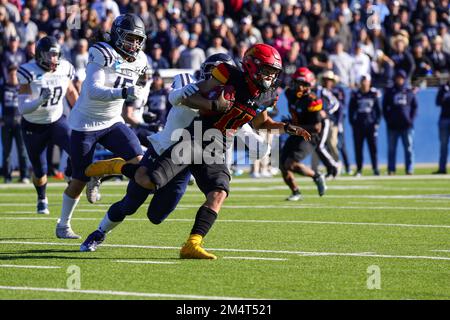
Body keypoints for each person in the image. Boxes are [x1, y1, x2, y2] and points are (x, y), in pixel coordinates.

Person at [81, 44, 311, 259]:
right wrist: (212, 105)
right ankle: (108, 197)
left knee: (216, 193)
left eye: (273, 72)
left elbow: (261, 122)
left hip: (217, 145)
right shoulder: (225, 76)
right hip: (195, 137)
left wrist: (286, 127)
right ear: (251, 65)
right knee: (144, 186)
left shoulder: (268, 94)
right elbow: (188, 97)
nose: (270, 76)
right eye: (267, 70)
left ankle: (192, 243)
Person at [56, 14, 148, 239]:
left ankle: (101, 172)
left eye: (138, 39)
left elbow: (143, 82)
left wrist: (138, 97)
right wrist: (124, 93)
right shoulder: (101, 52)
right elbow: (93, 90)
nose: (134, 44)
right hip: (85, 122)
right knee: (79, 178)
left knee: (139, 163)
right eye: (130, 38)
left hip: (113, 121)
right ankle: (63, 225)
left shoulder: (141, 59)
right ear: (117, 35)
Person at [17, 36, 78, 214]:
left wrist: (82, 112)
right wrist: (40, 100)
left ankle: (68, 172)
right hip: (33, 125)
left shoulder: (65, 68)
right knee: (40, 170)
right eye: (50, 55)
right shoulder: (27, 71)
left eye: (56, 54)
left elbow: (71, 92)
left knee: (76, 148)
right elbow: (23, 108)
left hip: (57, 119)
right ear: (40, 54)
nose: (54, 59)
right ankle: (42, 197)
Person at [280, 67, 330, 201]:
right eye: (298, 83)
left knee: (291, 164)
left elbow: (317, 127)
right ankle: (296, 192)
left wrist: (295, 126)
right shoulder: (290, 93)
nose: (300, 87)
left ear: (309, 85)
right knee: (282, 163)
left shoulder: (313, 100)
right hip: (296, 131)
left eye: (303, 84)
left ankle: (317, 176)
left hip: (309, 135)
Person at [383, 70, 418, 175]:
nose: (399, 80)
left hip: (406, 125)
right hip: (393, 125)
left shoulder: (409, 91)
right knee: (391, 149)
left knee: (409, 148)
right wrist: (389, 120)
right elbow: (385, 108)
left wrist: (411, 120)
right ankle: (391, 169)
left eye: (401, 78)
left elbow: (415, 107)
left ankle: (409, 169)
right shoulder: (390, 91)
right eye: (398, 77)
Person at [1, 63, 30, 184]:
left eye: (14, 74)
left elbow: (29, 102)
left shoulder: (22, 87)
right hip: (6, 121)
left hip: (20, 121)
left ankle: (24, 175)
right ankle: (7, 176)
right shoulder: (2, 88)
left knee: (22, 150)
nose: (13, 76)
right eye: (11, 74)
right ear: (7, 74)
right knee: (6, 151)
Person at [348, 74, 382, 176]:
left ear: (369, 82)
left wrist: (377, 123)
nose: (364, 83)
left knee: (373, 148)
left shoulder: (374, 93)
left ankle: (375, 168)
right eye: (362, 81)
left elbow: (379, 110)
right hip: (358, 125)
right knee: (358, 148)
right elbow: (351, 111)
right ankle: (359, 169)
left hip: (371, 125)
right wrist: (353, 123)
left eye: (366, 81)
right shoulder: (355, 94)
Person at [434, 79, 450, 174]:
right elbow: (438, 102)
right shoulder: (444, 88)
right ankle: (442, 168)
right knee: (443, 146)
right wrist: (444, 93)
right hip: (444, 119)